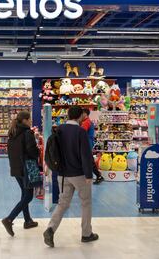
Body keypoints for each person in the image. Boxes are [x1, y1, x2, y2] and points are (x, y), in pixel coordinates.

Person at [43, 106, 99, 248]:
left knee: (63, 204)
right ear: (80, 116)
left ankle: (50, 229)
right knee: (86, 203)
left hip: (62, 174)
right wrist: (89, 174)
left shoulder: (59, 130)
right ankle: (86, 234)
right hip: (79, 174)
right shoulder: (80, 132)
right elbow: (85, 155)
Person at [2, 111, 40, 237]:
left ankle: (28, 221)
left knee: (24, 193)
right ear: (25, 120)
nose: (30, 122)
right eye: (29, 119)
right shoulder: (27, 133)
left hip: (16, 167)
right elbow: (31, 150)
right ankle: (9, 219)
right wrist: (38, 152)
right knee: (28, 196)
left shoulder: (12, 132)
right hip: (26, 168)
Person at [81, 108, 104, 184]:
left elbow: (81, 132)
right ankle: (98, 176)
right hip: (88, 143)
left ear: (85, 114)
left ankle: (98, 176)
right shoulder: (87, 121)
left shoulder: (86, 122)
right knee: (89, 160)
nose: (81, 115)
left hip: (86, 143)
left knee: (89, 161)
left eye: (82, 113)